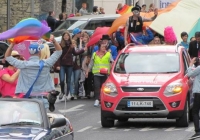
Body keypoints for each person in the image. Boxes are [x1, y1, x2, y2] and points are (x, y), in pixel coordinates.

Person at [5, 36, 62, 111]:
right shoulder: (47, 63)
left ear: (29, 52)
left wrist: (12, 44)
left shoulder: (23, 65)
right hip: (43, 100)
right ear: (40, 52)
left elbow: (7, 56)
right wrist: (53, 40)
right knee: (44, 121)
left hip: (28, 100)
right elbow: (59, 51)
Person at [58, 31, 87, 100]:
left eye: (67, 36)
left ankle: (67, 94)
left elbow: (75, 53)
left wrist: (83, 50)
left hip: (69, 65)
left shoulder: (71, 45)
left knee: (68, 80)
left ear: (69, 37)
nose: (66, 37)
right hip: (62, 64)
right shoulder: (60, 45)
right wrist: (57, 65)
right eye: (65, 36)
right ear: (63, 37)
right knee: (62, 80)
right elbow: (58, 55)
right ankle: (62, 91)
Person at [187, 57, 200, 139]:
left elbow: (189, 74)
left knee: (195, 112)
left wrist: (190, 65)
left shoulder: (199, 68)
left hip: (198, 92)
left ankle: (197, 131)